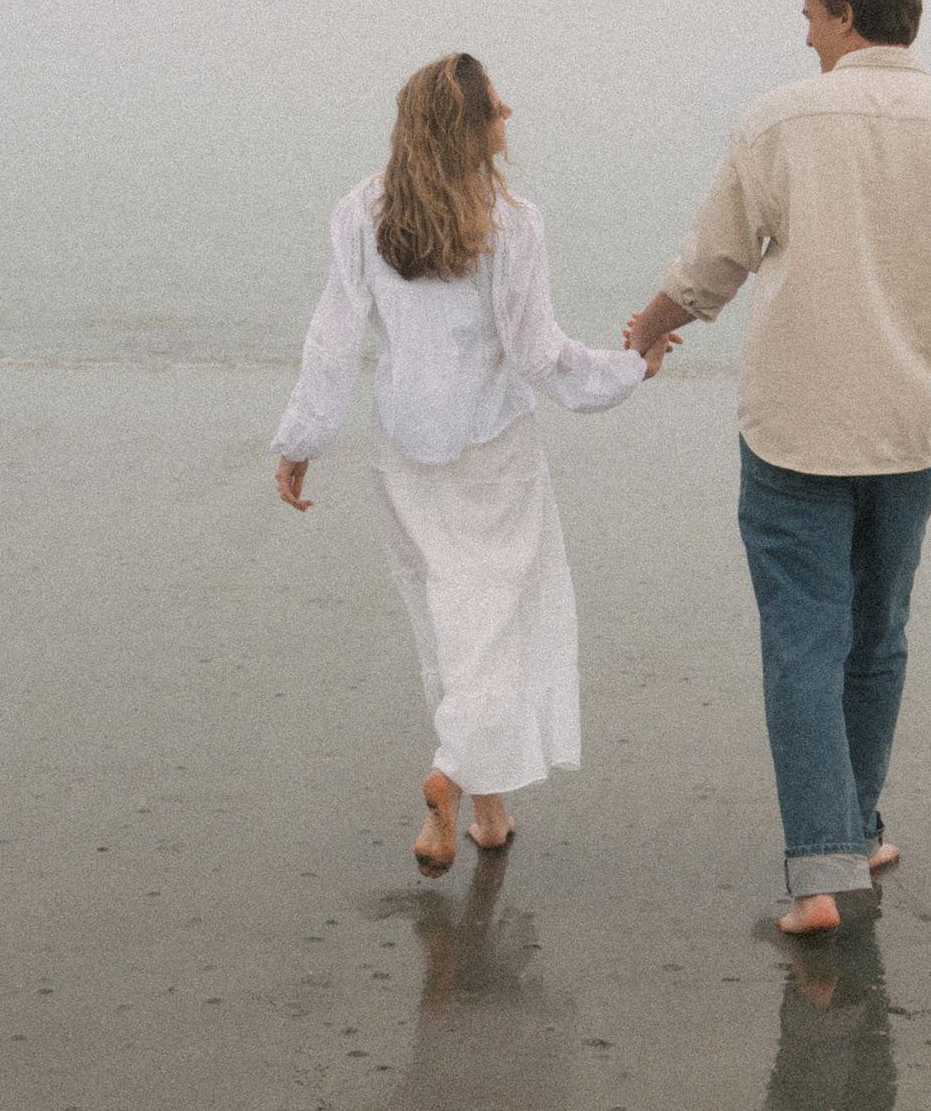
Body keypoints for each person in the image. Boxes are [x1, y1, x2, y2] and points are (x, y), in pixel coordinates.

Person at [625, 0, 931, 936]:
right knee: (876, 635)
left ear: (844, 13)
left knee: (804, 639)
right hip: (908, 431)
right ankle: (859, 826)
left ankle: (819, 875)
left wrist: (648, 323)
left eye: (808, 16)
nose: (804, 37)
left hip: (793, 426)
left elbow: (714, 259)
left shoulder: (779, 119)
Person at [273, 51, 673, 876]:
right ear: (468, 126)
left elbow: (333, 338)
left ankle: (488, 811)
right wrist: (630, 366)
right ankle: (452, 774)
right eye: (497, 106)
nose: (511, 114)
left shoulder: (361, 209)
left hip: (403, 449)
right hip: (493, 450)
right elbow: (539, 356)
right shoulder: (512, 221)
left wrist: (301, 442)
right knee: (501, 617)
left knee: (449, 622)